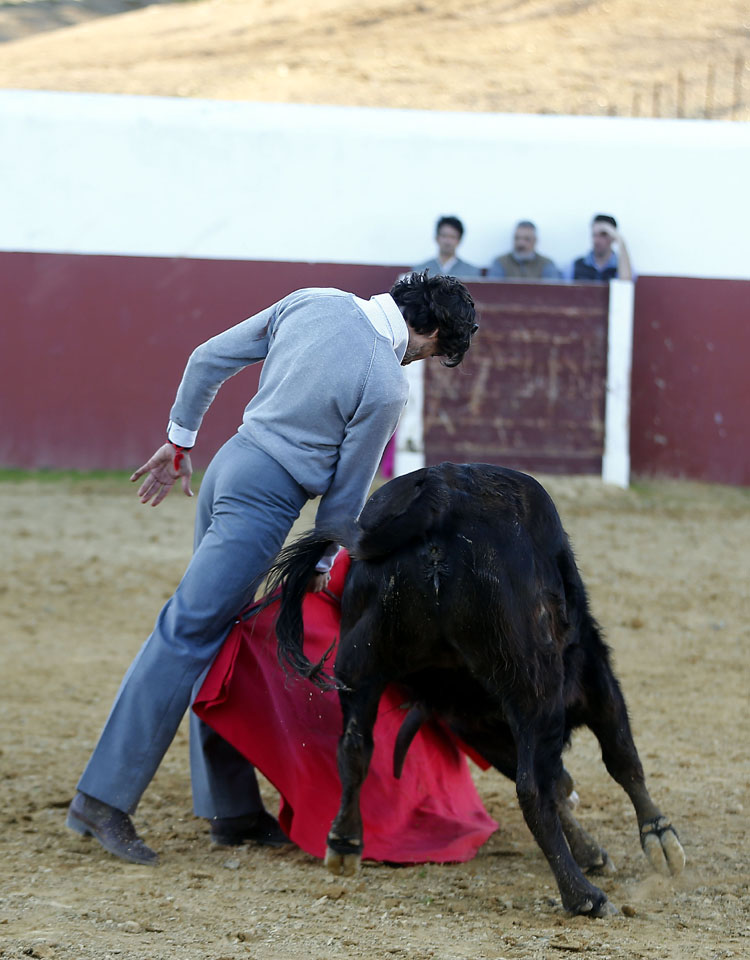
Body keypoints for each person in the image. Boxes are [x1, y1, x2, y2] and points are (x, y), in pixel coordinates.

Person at [66, 273, 478, 866]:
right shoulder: (385, 383)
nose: (420, 362)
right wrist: (322, 559)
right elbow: (345, 498)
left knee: (215, 638)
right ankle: (101, 800)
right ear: (430, 331)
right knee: (185, 634)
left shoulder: (314, 301)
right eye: (432, 353)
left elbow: (206, 358)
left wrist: (180, 440)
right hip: (262, 506)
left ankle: (231, 811)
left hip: (226, 471)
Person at [486, 220, 562, 280]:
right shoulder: (500, 262)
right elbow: (493, 291)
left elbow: (551, 292)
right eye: (517, 238)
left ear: (535, 241)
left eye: (526, 239)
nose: (520, 243)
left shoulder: (547, 264)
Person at [413, 215, 481, 279]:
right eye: (444, 236)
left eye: (452, 237)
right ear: (436, 238)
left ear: (459, 240)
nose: (447, 241)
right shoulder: (420, 270)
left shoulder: (472, 272)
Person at [570, 214, 633, 282]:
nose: (596, 240)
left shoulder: (622, 266)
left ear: (613, 237)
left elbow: (626, 283)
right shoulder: (575, 265)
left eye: (603, 235)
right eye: (594, 235)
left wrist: (620, 241)